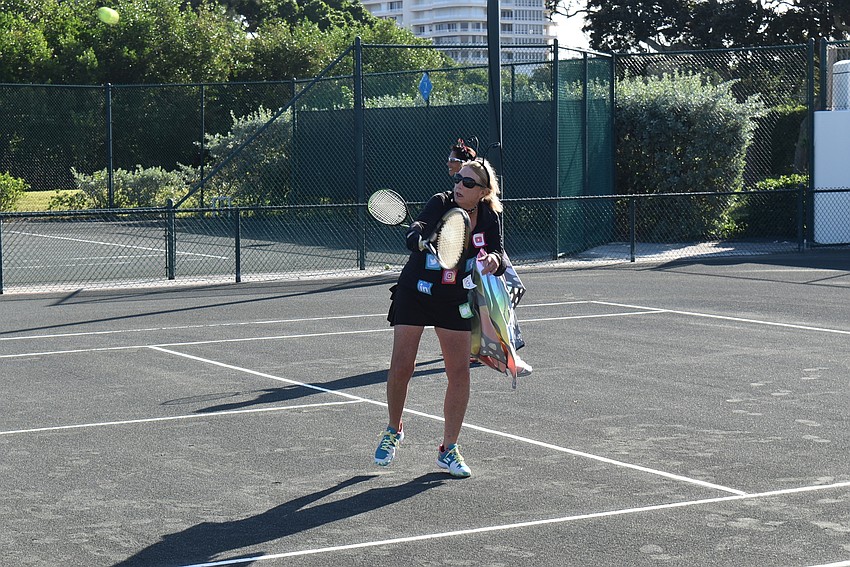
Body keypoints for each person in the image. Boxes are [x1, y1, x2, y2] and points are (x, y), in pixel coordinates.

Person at [375, 158, 506, 478]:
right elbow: (416, 229)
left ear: (484, 192)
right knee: (402, 365)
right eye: (459, 179)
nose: (460, 185)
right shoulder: (441, 202)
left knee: (459, 372)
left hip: (454, 298)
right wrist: (418, 238)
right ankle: (394, 429)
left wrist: (493, 261)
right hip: (415, 292)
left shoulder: (489, 217)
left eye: (469, 183)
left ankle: (449, 450)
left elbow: (501, 254)